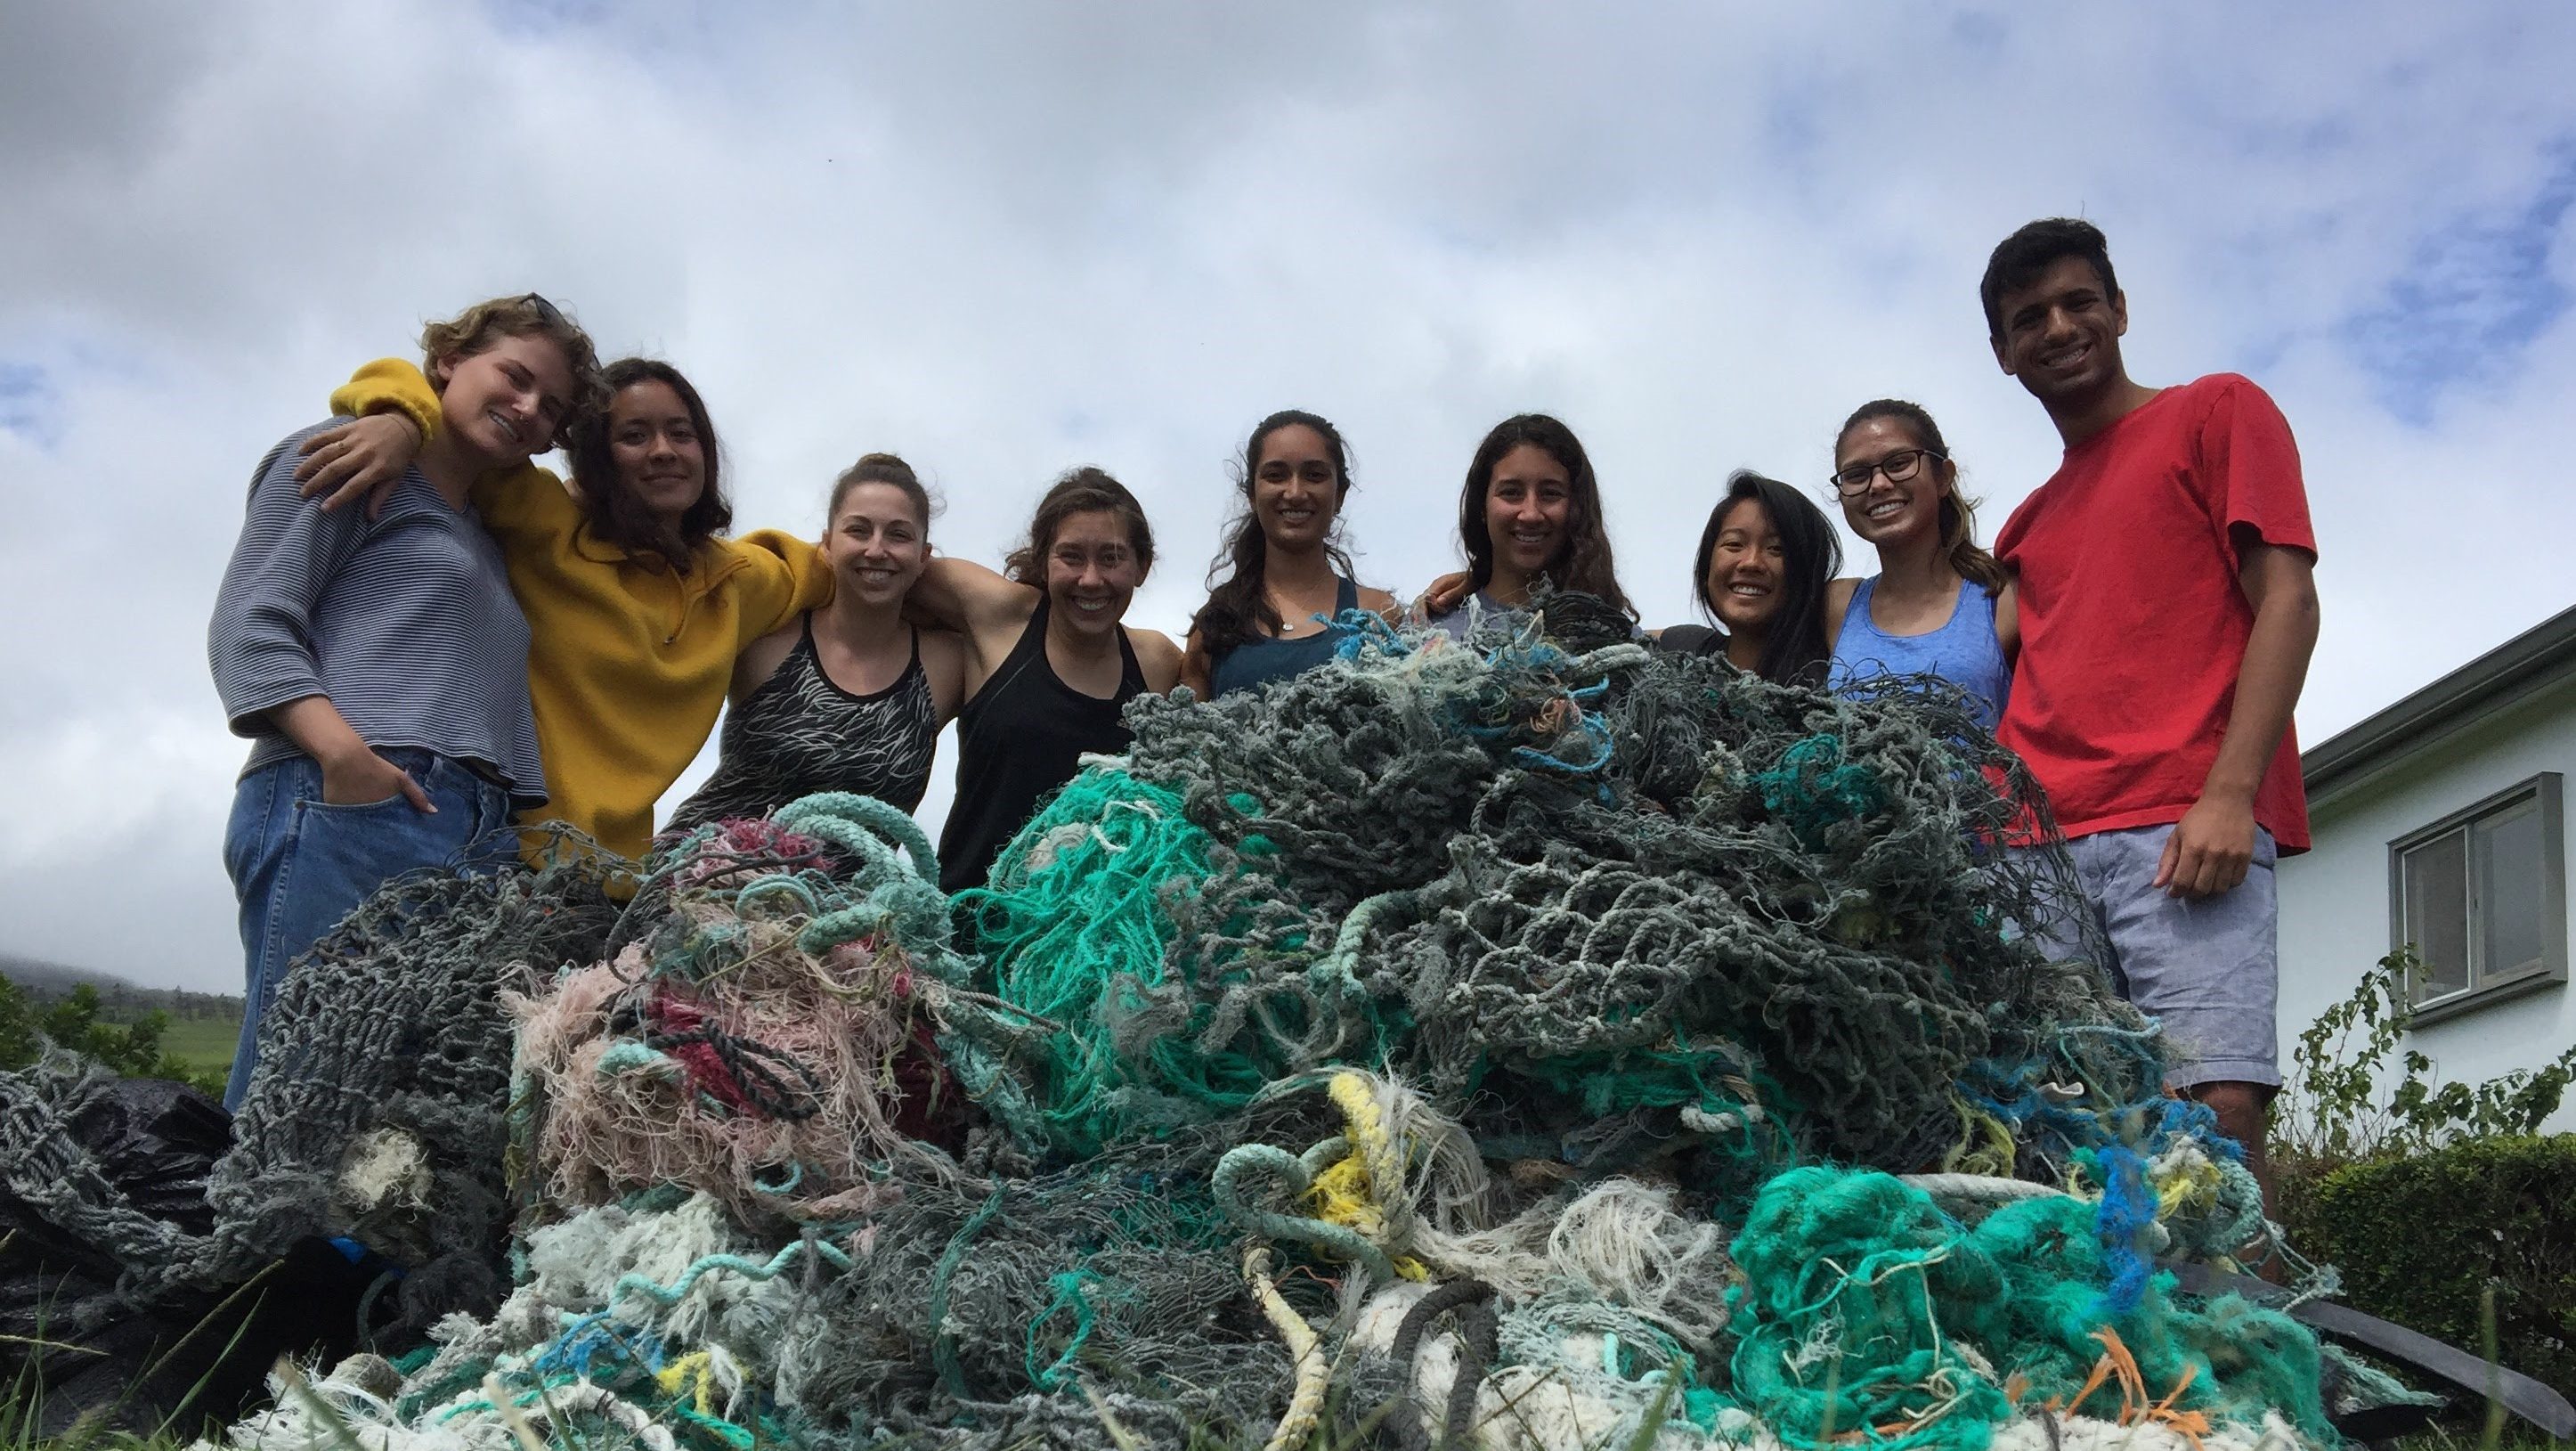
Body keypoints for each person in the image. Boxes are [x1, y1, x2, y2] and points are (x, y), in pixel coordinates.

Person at [1982, 217, 2320, 1188]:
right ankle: (2106, 1348)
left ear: (2119, 310)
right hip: (2029, 852)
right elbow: (1954, 651)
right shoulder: (2026, 525)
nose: (2057, 327)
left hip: (2178, 824)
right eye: (2027, 318)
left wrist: (2229, 793)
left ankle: (2234, 1345)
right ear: (2003, 355)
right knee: (2060, 1134)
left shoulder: (2217, 411)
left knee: (2212, 1119)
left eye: (2077, 303)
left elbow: (2287, 602)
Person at [209, 294, 603, 1108]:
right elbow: (250, 620)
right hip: (353, 798)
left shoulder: (485, 537)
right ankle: (246, 1239)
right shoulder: (348, 456)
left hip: (474, 825)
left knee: (411, 1095)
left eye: (551, 407)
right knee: (305, 1078)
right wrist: (343, 757)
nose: (528, 409)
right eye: (515, 377)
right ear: (449, 361)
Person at [292, 355, 835, 861]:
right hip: (498, 850)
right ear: (599, 458)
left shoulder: (739, 579)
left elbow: (846, 564)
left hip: (615, 876)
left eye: (682, 433)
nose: (664, 450)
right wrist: (400, 421)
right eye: (633, 436)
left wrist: (925, 577)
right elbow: (458, 412)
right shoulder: (544, 522)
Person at [909, 468, 1185, 893]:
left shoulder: (1157, 663)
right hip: (964, 926)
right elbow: (879, 562)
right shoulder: (998, 616)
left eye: (1111, 558)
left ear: (1142, 567)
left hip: (1088, 940)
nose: (1091, 579)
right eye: (1071, 556)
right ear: (1043, 560)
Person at [668, 453, 966, 829]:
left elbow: (1020, 624)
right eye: (858, 530)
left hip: (856, 886)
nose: (876, 549)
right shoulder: (769, 636)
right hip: (704, 872)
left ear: (925, 558)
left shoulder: (947, 665)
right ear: (826, 545)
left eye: (899, 535)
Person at [1822, 400, 2018, 729]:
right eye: (1856, 475)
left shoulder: (2003, 595)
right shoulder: (1837, 604)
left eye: (1899, 463)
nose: (1879, 484)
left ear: (1943, 478)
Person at [1182, 411, 1400, 697]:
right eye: (1276, 476)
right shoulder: (1214, 626)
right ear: (1252, 495)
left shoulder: (1380, 614)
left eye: (1314, 475)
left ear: (1339, 496)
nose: (1295, 492)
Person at [1420, 414, 1634, 639]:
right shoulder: (1428, 632)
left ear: (1576, 508)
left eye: (1550, 494)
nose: (1530, 514)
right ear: (1482, 507)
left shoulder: (1616, 643)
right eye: (1511, 492)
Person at [1654, 471, 1841, 684]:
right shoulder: (1683, 650)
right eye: (1734, 544)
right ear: (1707, 567)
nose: (1751, 562)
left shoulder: (1832, 681)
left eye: (1776, 549)